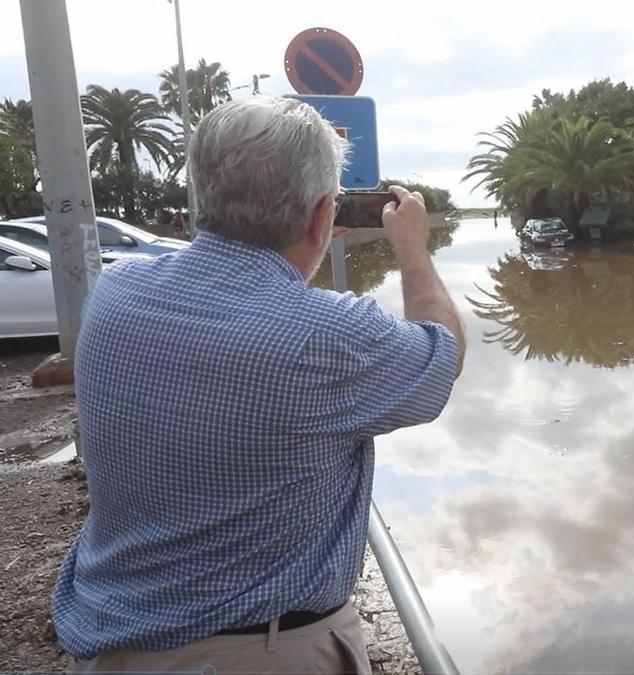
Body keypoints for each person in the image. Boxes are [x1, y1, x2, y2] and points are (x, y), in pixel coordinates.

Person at [54, 97, 465, 673]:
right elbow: (443, 357)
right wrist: (413, 247)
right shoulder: (329, 334)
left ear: (203, 193)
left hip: (109, 645)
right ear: (324, 215)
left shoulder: (117, 293)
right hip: (258, 654)